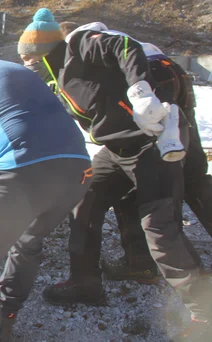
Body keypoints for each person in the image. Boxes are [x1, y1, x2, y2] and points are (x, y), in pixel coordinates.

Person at [16, 8, 211, 338]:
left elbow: (123, 47)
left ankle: (205, 312)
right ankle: (87, 281)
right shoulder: (58, 77)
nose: (26, 65)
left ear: (40, 53)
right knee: (87, 198)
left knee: (161, 230)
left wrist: (140, 91)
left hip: (151, 145)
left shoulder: (80, 46)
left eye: (28, 59)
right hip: (117, 150)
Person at [0, 40, 92, 341]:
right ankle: (6, 311)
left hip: (17, 170)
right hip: (78, 169)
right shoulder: (20, 70)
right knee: (28, 241)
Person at [62, 22, 212, 284]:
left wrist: (139, 97)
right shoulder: (133, 40)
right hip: (175, 112)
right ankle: (138, 263)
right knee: (193, 184)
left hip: (148, 131)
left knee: (159, 219)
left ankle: (196, 300)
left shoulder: (83, 43)